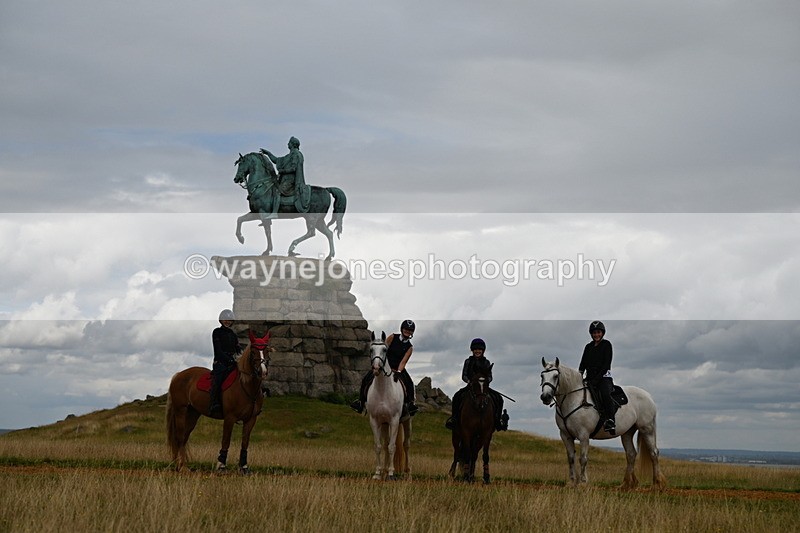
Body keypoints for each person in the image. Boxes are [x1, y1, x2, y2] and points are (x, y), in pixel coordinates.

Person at [350, 319, 419, 417]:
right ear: (402, 329)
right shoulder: (392, 337)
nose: (408, 331)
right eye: (406, 329)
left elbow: (403, 361)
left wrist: (399, 372)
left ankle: (410, 404)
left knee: (409, 383)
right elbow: (383, 350)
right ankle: (360, 402)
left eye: (410, 330)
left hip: (398, 368)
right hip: (385, 365)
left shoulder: (409, 347)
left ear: (412, 332)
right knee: (366, 379)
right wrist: (380, 364)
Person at [445, 338, 508, 431]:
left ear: (483, 351)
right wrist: (469, 381)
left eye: (479, 349)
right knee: (457, 396)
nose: (477, 351)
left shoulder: (486, 362)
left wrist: (486, 381)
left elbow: (490, 376)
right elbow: (464, 375)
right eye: (475, 349)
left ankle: (497, 421)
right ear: (472, 350)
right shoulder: (468, 361)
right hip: (471, 387)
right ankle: (454, 419)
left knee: (499, 399)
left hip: (483, 387)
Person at [578, 320, 616, 434]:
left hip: (604, 377)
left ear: (602, 333)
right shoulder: (588, 347)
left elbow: (606, 365)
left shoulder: (607, 345)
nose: (596, 335)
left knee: (606, 394)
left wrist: (596, 380)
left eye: (598, 332)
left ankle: (610, 420)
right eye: (594, 333)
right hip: (589, 378)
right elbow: (583, 363)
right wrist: (579, 375)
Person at [259, 136, 311, 216]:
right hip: (285, 180)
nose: (287, 144)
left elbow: (293, 168)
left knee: (277, 191)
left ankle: (274, 213)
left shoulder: (296, 154)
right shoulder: (289, 155)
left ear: (293, 144)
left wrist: (283, 171)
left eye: (289, 142)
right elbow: (276, 160)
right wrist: (268, 153)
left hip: (291, 180)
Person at [210, 309, 242, 416]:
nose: (227, 321)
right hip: (221, 362)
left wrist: (240, 357)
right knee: (218, 380)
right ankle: (214, 403)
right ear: (221, 320)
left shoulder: (233, 334)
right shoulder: (217, 332)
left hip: (232, 362)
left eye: (229, 320)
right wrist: (229, 359)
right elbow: (218, 351)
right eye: (225, 319)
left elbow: (238, 348)